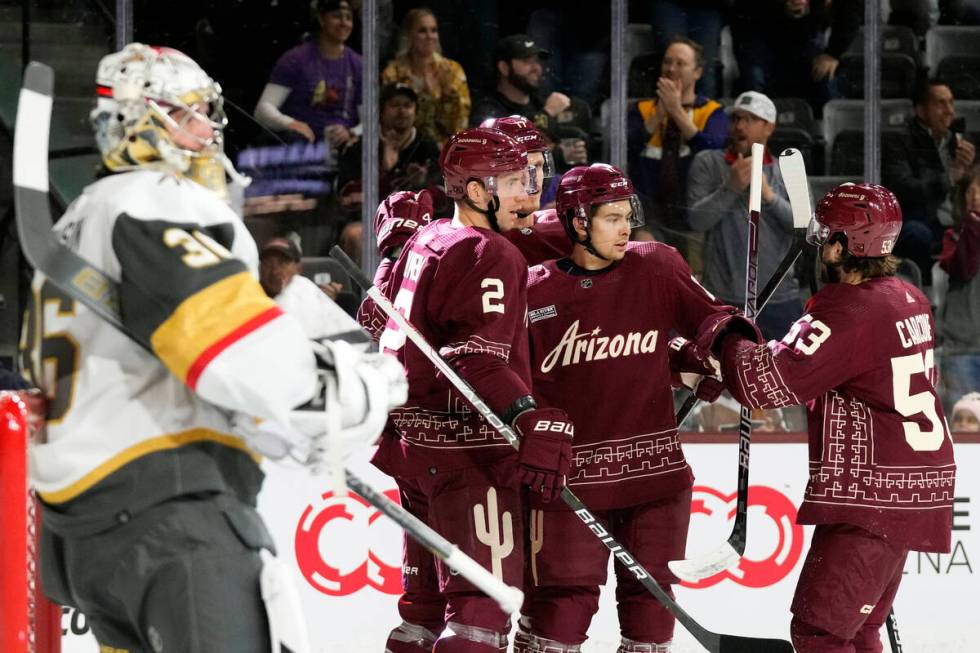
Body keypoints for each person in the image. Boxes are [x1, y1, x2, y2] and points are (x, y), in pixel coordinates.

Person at [22, 43, 404, 653]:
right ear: (145, 120)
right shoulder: (149, 202)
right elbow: (238, 353)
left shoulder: (81, 223)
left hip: (94, 537)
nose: (209, 130)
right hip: (173, 520)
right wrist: (352, 389)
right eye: (193, 113)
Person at [703, 183, 956, 653]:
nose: (818, 247)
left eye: (825, 238)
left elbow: (764, 384)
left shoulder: (848, 310)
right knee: (855, 630)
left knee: (819, 632)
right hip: (910, 485)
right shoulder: (907, 296)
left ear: (843, 246)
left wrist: (723, 331)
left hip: (874, 497)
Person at [513, 163, 750, 653]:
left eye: (628, 215)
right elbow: (515, 379)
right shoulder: (533, 290)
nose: (626, 228)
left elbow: (709, 318)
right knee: (558, 614)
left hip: (655, 480)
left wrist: (725, 351)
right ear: (578, 222)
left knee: (650, 622)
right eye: (612, 218)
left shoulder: (656, 266)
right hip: (568, 479)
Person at [375, 127, 574, 653]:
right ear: (477, 191)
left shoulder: (428, 237)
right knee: (481, 614)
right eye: (511, 181)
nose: (527, 192)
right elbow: (477, 360)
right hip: (467, 455)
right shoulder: (491, 252)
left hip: (413, 448)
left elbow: (378, 322)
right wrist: (528, 417)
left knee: (421, 613)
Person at [687, 90, 804, 340]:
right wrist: (730, 188)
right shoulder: (708, 162)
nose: (739, 126)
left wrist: (769, 196)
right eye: (736, 119)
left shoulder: (790, 169)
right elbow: (696, 220)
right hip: (723, 298)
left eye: (749, 120)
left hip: (779, 297)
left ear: (768, 128)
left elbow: (806, 230)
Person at [626, 37, 728, 268]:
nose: (671, 69)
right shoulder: (643, 109)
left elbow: (714, 152)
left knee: (692, 279)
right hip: (649, 212)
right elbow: (626, 149)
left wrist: (676, 111)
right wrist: (660, 113)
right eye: (667, 62)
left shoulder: (712, 112)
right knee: (647, 269)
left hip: (691, 214)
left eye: (680, 63)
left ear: (698, 72)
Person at [335, 83, 443, 261]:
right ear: (381, 111)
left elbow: (444, 196)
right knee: (354, 235)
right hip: (370, 224)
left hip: (418, 223)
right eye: (394, 105)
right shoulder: (359, 146)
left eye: (407, 105)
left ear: (416, 112)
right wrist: (386, 174)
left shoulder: (428, 147)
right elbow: (348, 198)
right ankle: (367, 290)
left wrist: (421, 184)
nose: (401, 111)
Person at [883, 78, 976, 282]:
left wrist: (971, 172)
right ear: (921, 110)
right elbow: (903, 187)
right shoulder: (899, 141)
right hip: (922, 221)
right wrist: (948, 178)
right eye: (940, 104)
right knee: (917, 234)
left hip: (958, 222)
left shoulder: (961, 142)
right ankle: (922, 292)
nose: (950, 110)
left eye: (951, 103)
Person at [253, 0, 362, 149]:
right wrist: (291, 124)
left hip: (343, 148)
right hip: (301, 147)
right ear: (321, 19)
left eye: (348, 18)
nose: (344, 23)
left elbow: (370, 120)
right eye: (337, 16)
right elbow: (263, 110)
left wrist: (351, 132)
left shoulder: (358, 65)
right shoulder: (296, 59)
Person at [730, 0, 860, 116]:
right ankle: (755, 136)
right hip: (756, 30)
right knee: (754, 77)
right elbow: (742, 9)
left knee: (823, 76)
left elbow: (849, 8)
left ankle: (822, 136)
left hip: (806, 34)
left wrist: (832, 54)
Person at [479, 115, 569, 265]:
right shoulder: (467, 244)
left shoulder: (570, 228)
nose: (531, 178)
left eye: (538, 166)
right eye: (519, 168)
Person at [382, 7, 471, 146]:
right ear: (409, 35)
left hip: (444, 149)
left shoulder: (453, 70)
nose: (430, 36)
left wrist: (447, 93)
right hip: (403, 146)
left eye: (433, 30)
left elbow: (458, 125)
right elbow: (389, 120)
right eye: (422, 31)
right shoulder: (393, 72)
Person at [938, 164, 980, 412]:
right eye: (970, 191)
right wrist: (973, 228)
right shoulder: (953, 237)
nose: (974, 196)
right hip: (960, 351)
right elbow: (963, 267)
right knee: (963, 427)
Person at [258, 236, 353, 338]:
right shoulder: (248, 298)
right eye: (268, 263)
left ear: (298, 268)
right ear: (259, 268)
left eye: (283, 263)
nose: (275, 270)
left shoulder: (311, 295)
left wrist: (324, 301)